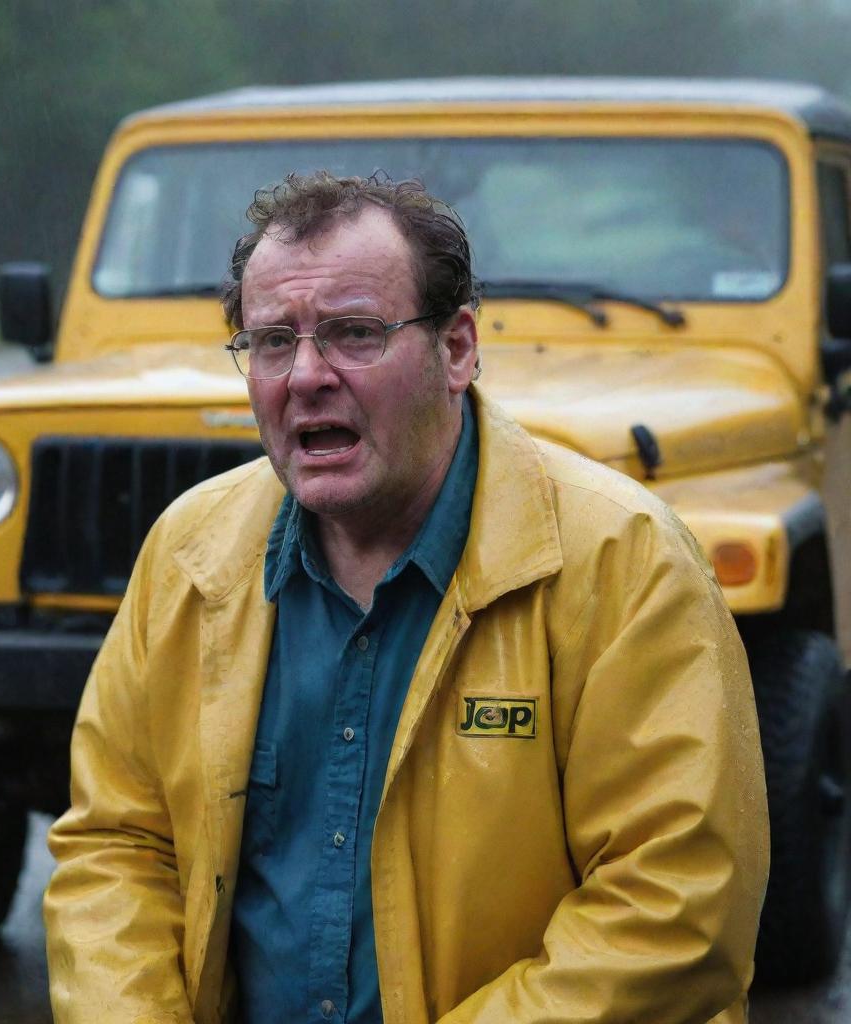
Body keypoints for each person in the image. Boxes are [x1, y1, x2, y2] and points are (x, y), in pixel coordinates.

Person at [44, 172, 769, 1024]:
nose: (305, 376)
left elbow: (676, 906)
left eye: (355, 334)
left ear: (457, 349)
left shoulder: (625, 561)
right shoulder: (189, 554)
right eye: (272, 341)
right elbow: (119, 845)